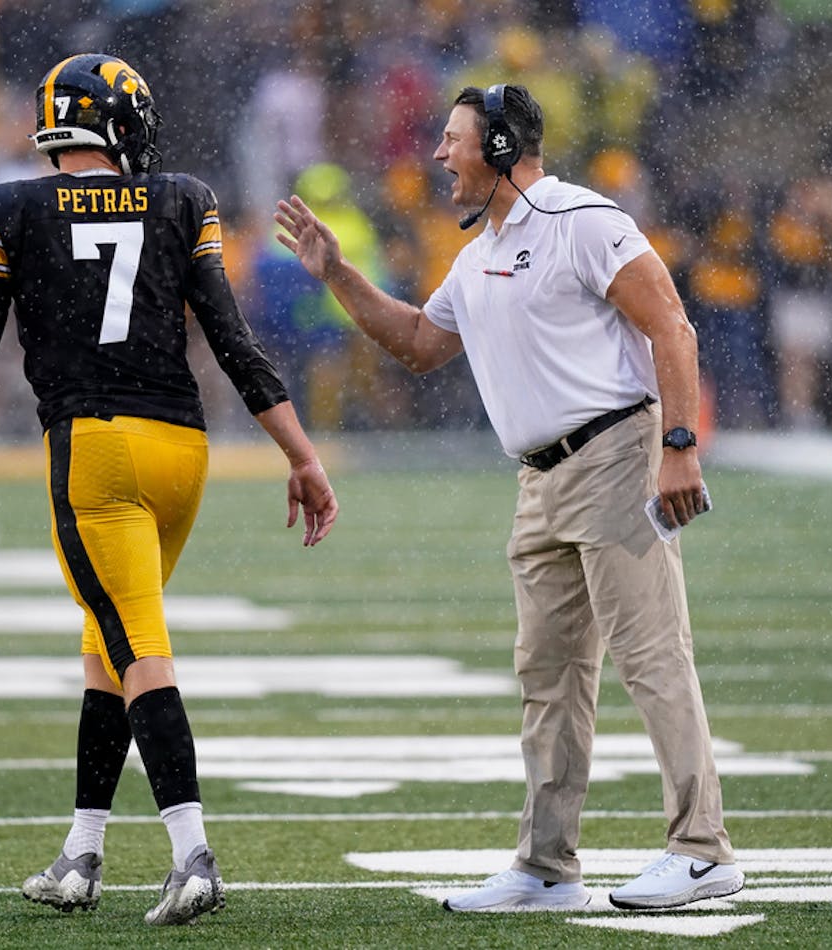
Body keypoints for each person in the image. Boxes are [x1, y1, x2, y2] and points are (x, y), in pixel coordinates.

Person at [0, 53, 337, 926]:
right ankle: (82, 854)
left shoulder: (8, 208)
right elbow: (233, 342)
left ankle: (191, 853)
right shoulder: (179, 197)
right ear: (117, 124)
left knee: (135, 649)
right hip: (182, 451)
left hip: (93, 450)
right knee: (108, 645)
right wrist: (301, 453)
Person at [275, 83, 741, 912]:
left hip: (614, 454)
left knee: (651, 655)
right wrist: (337, 273)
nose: (439, 154)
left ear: (497, 151)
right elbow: (419, 343)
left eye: (453, 140)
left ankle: (702, 850)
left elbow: (672, 326)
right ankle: (547, 867)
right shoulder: (477, 251)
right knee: (549, 677)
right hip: (537, 478)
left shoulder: (582, 222)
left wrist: (678, 447)